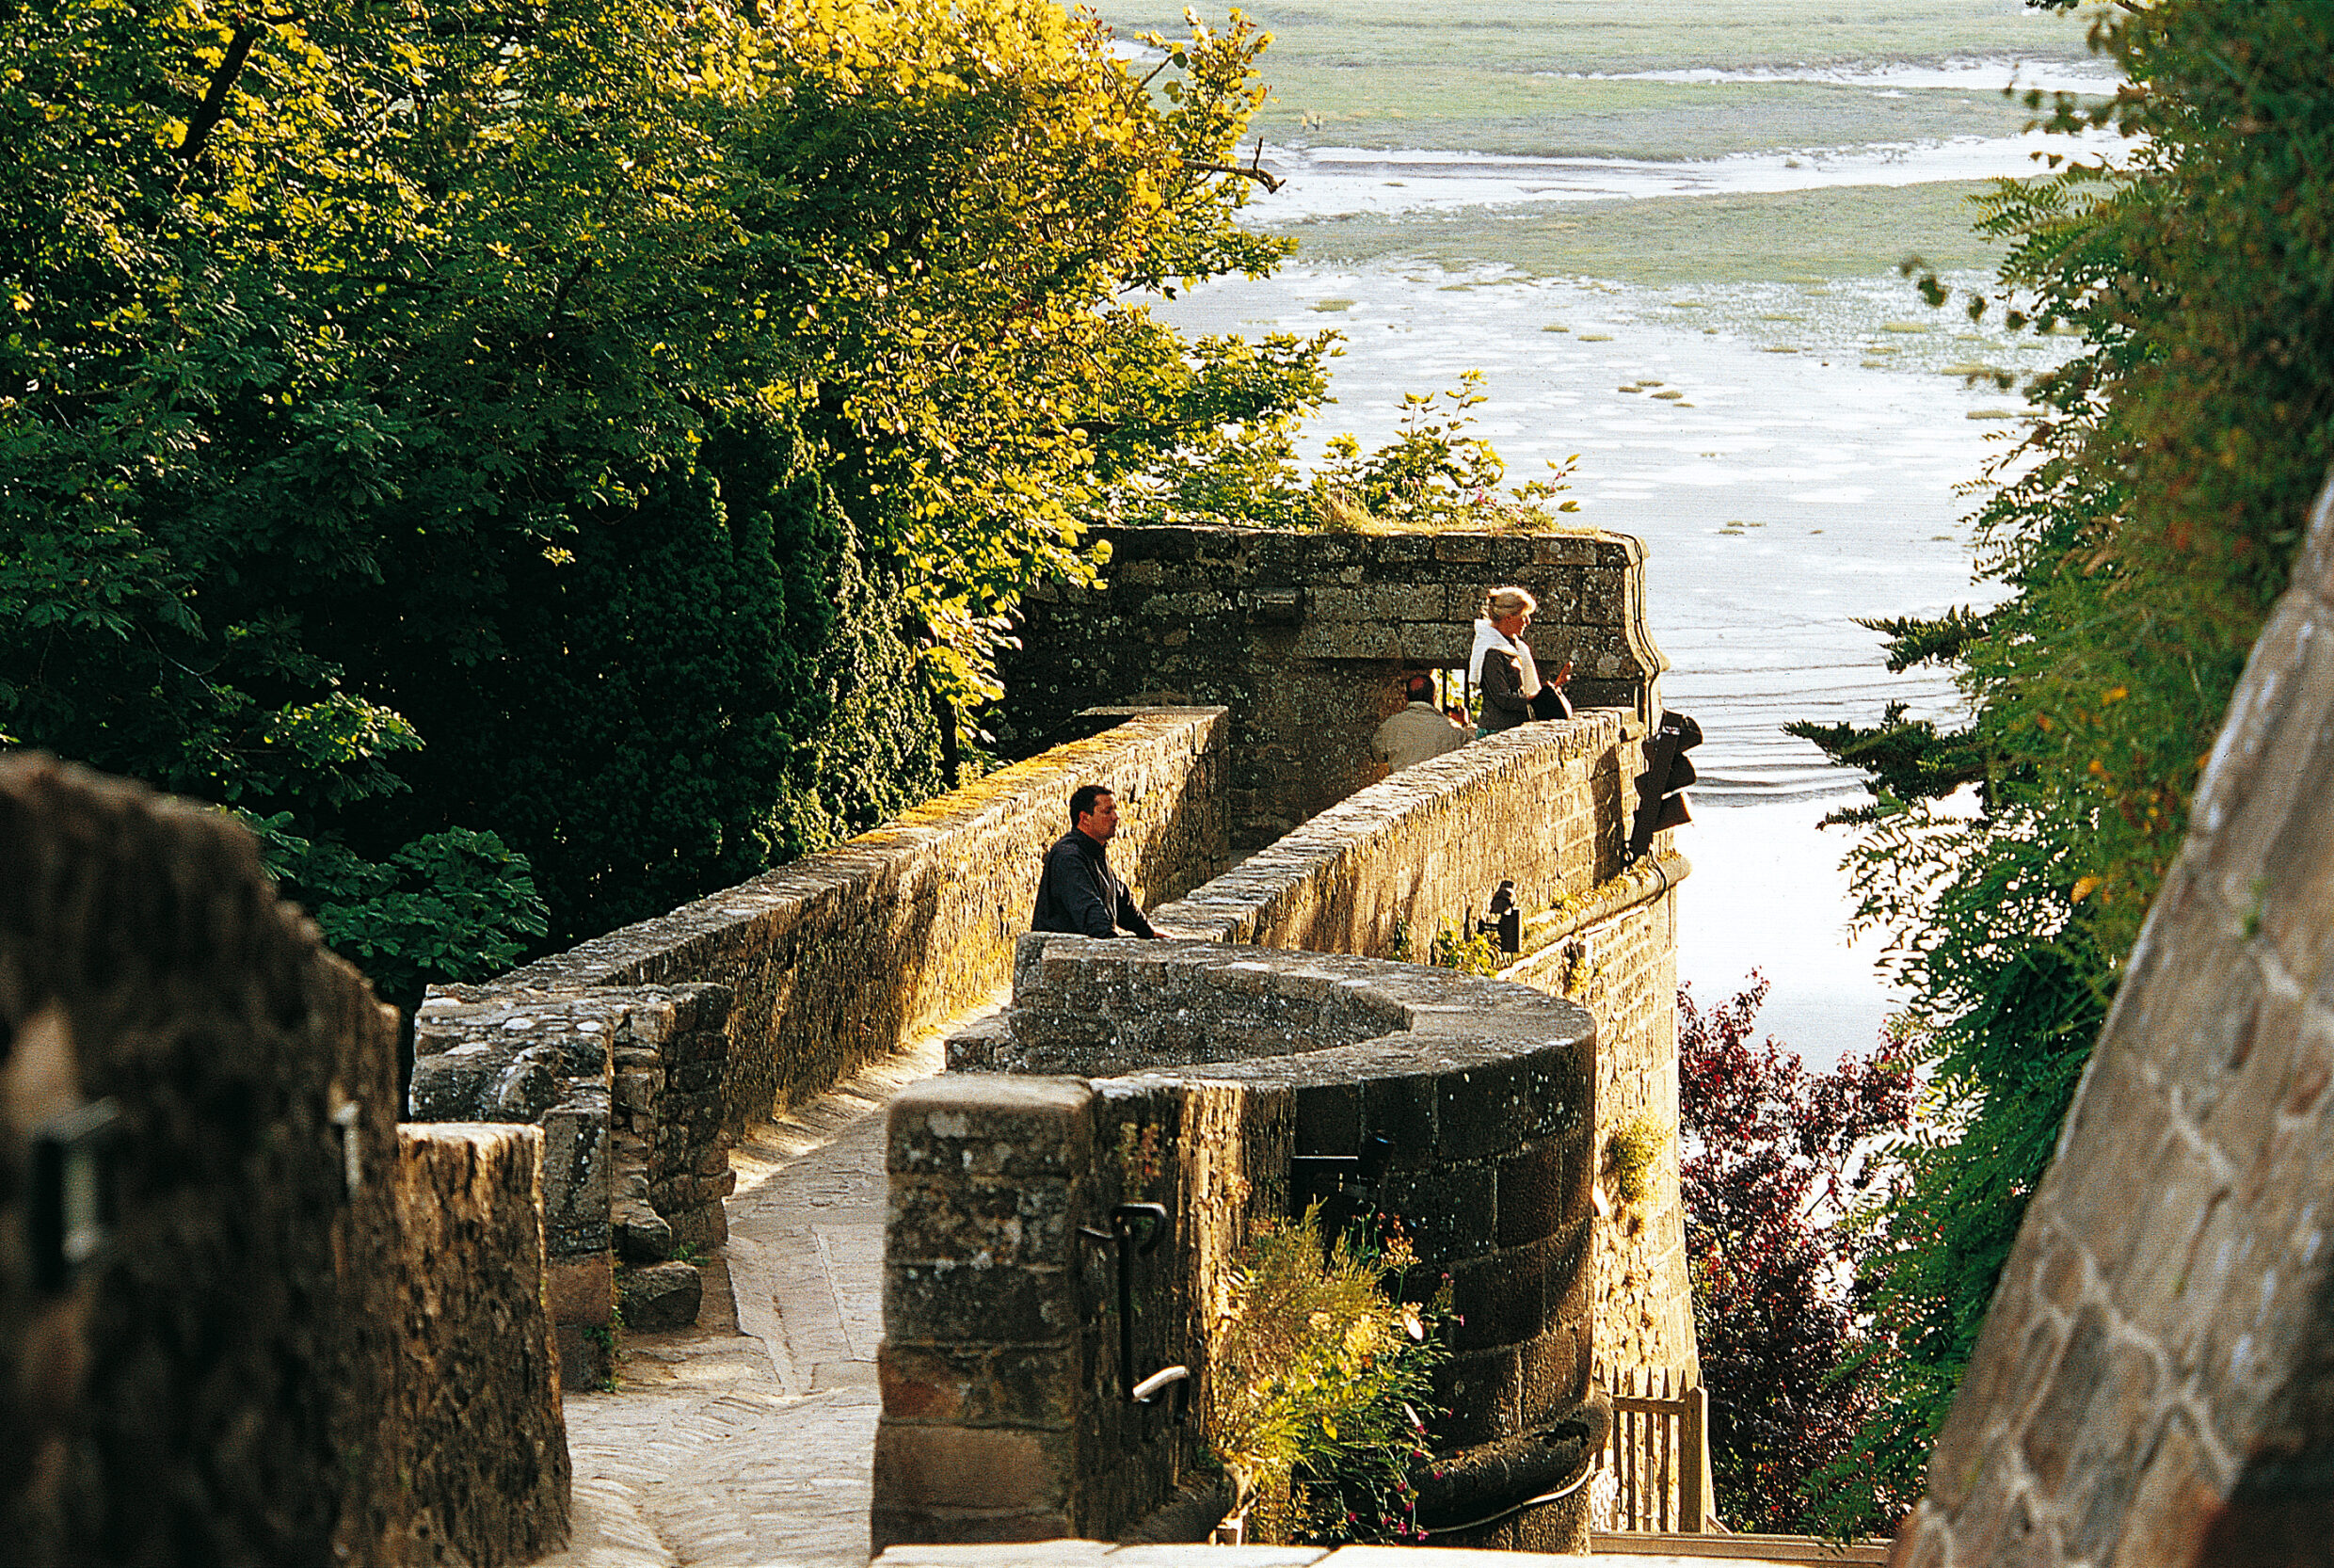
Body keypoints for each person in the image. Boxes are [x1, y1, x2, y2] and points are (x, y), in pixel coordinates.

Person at [1031, 784, 1162, 938]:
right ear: (1085, 818)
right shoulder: (1068, 857)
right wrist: (1111, 948)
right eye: (1107, 812)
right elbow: (1089, 909)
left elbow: (1118, 896)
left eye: (1115, 810)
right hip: (1060, 955)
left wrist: (1148, 931)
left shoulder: (1094, 849)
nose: (1116, 817)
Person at [1469, 586, 1572, 739]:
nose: (1527, 621)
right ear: (1508, 618)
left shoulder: (1513, 647)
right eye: (1524, 616)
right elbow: (1503, 698)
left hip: (1510, 728)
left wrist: (1551, 690)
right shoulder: (1492, 651)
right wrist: (1539, 697)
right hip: (1496, 731)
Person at [1372, 671, 1471, 774]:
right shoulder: (1452, 729)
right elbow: (1473, 750)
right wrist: (1464, 724)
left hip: (1399, 786)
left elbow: (1378, 755)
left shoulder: (1390, 726)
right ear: (1434, 697)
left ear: (1406, 697)